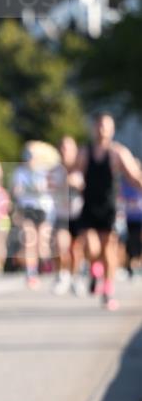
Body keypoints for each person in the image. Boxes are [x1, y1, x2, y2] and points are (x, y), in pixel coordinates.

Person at [77, 113, 142, 309]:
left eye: (106, 127)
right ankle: (95, 269)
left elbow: (134, 176)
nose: (102, 130)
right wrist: (72, 180)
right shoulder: (85, 152)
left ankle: (107, 289)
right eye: (99, 126)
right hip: (88, 206)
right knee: (90, 246)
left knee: (108, 248)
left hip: (110, 207)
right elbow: (74, 172)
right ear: (93, 128)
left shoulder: (118, 152)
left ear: (112, 130)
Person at [11, 143, 55, 288]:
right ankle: (31, 273)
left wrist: (40, 188)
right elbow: (16, 191)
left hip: (42, 209)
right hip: (27, 208)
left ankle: (45, 263)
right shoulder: (20, 172)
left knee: (41, 242)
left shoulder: (44, 172)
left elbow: (50, 189)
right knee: (29, 240)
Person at [48, 136, 84, 295]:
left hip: (79, 214)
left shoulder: (82, 168)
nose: (65, 151)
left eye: (68, 148)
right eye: (62, 148)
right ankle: (62, 275)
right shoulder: (54, 171)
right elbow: (48, 189)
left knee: (76, 250)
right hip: (61, 214)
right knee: (60, 245)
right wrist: (64, 184)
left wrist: (80, 185)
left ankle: (76, 277)